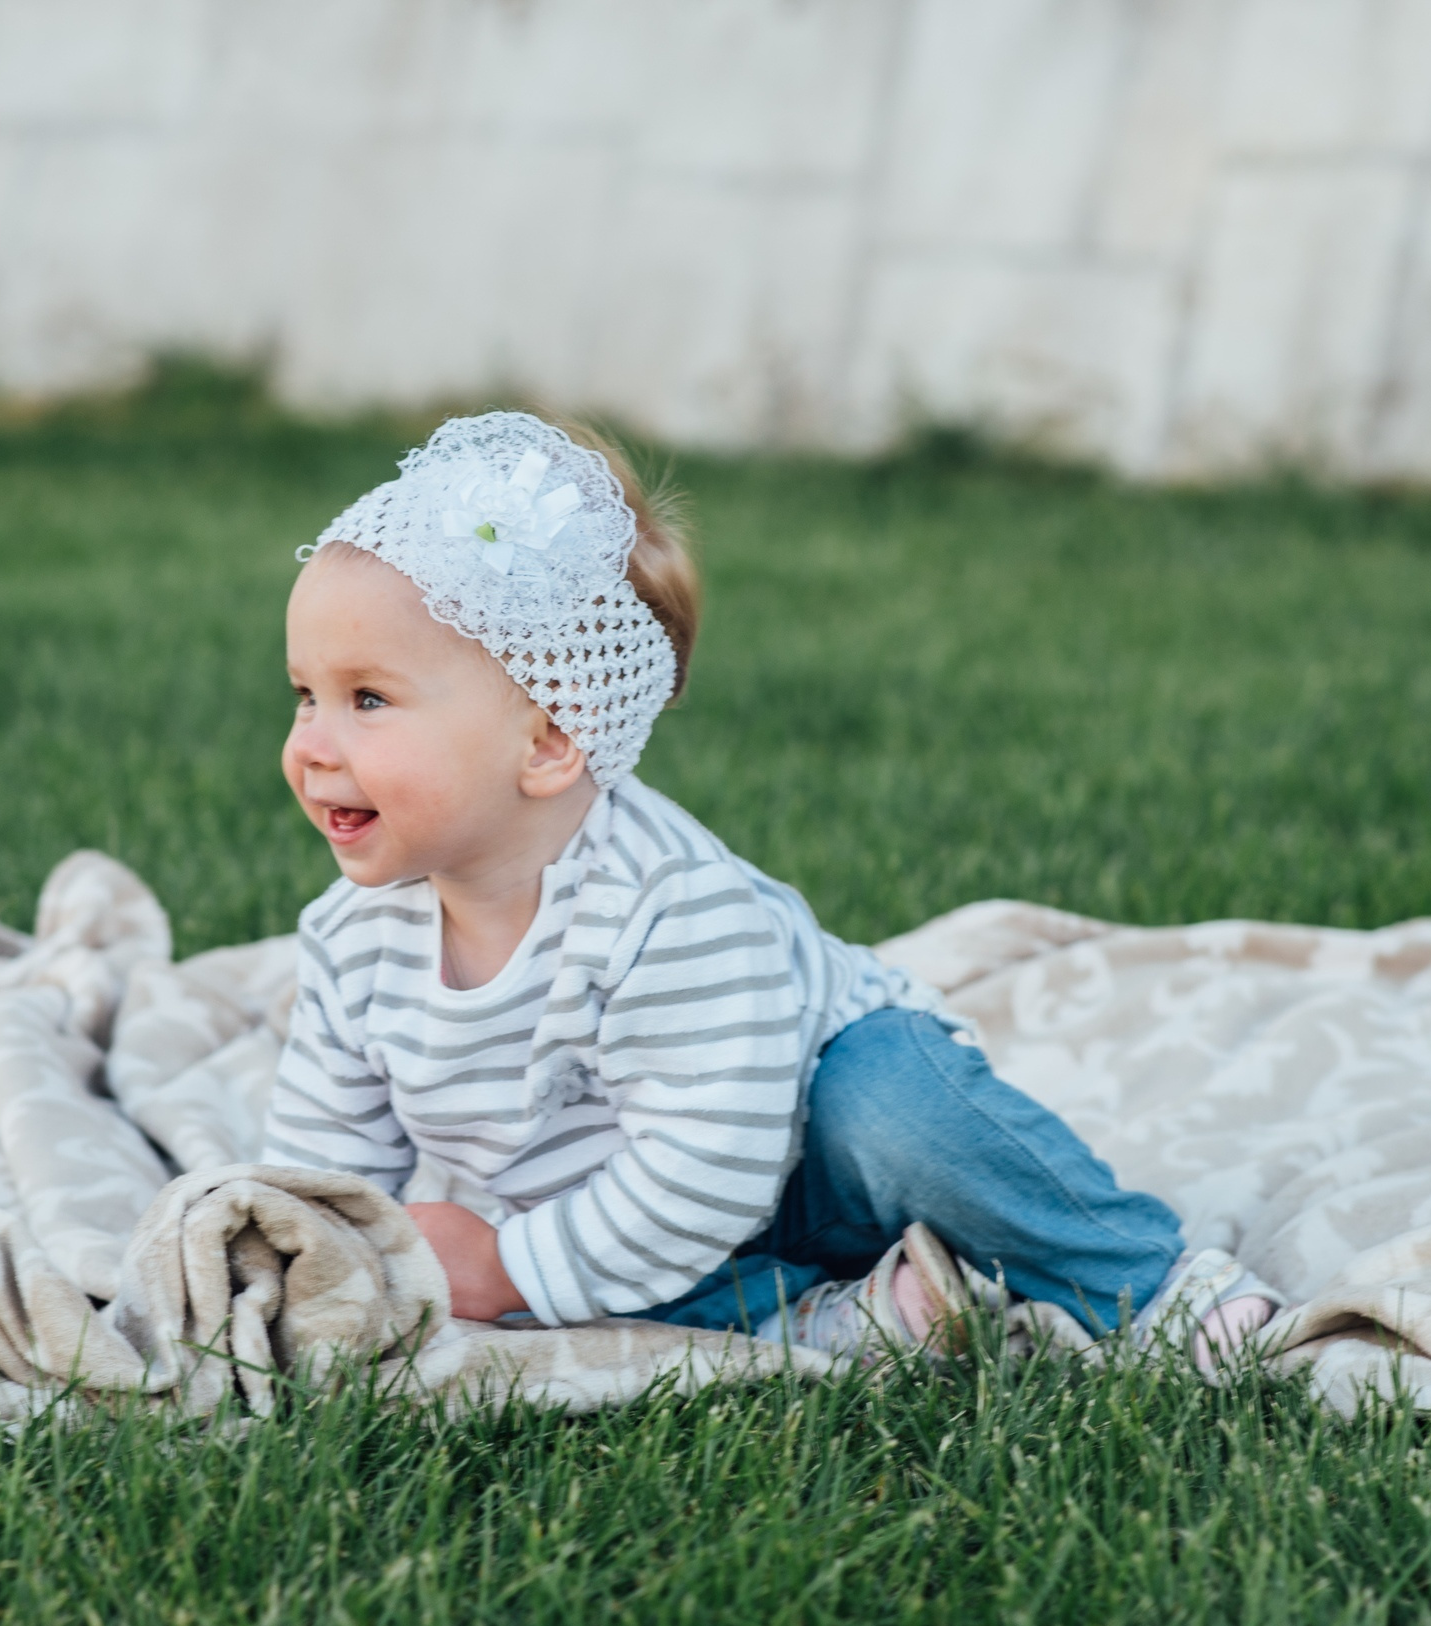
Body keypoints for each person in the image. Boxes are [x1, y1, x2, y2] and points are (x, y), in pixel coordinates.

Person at [261, 411, 1279, 1368]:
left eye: (367, 699)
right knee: (545, 1276)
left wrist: (509, 1264)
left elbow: (707, 1167)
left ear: (549, 741)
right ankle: (838, 1317)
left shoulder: (669, 906)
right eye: (306, 694)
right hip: (632, 1209)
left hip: (812, 1156)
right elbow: (325, 1161)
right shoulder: (353, 939)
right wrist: (298, 1261)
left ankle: (1146, 1282)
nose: (310, 746)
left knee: (895, 1099)